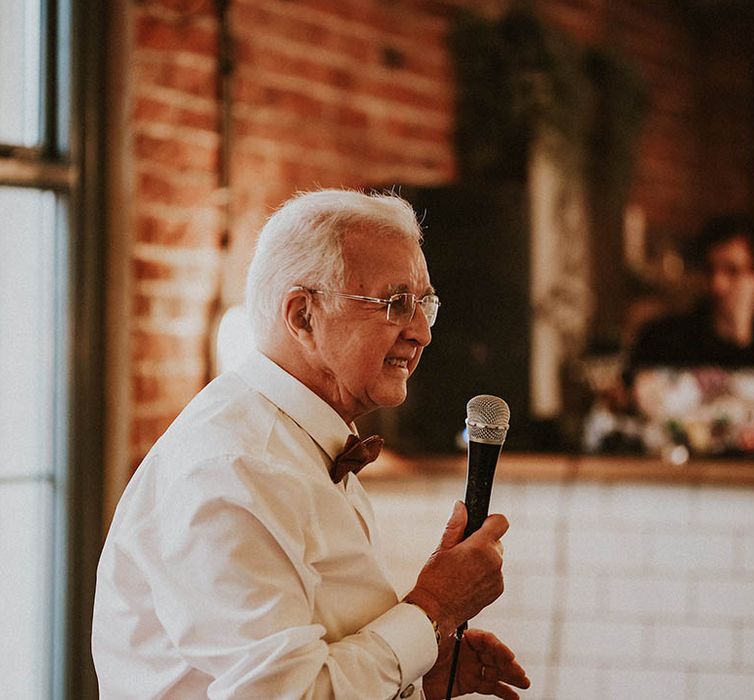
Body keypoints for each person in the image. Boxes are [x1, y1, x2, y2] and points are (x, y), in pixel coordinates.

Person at [92, 189, 530, 699]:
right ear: (303, 316)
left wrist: (418, 670)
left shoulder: (307, 444)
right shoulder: (233, 470)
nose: (421, 333)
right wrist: (433, 610)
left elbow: (319, 662)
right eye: (395, 303)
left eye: (424, 304)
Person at [628, 213, 754, 372]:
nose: (717, 285)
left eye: (732, 271)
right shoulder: (662, 340)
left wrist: (741, 336)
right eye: (709, 269)